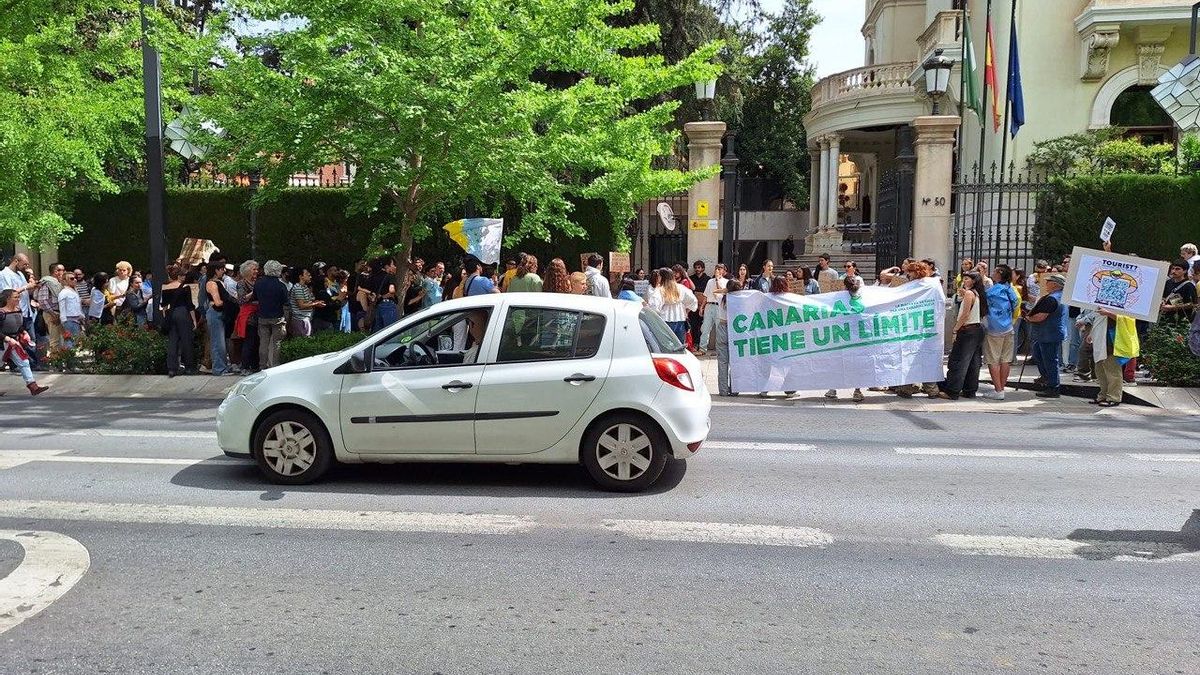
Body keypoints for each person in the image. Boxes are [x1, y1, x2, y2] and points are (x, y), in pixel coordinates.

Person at [938, 271, 986, 400]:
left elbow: (965, 314)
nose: (964, 281)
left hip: (967, 330)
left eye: (967, 279)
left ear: (974, 281)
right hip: (977, 330)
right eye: (964, 279)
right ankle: (969, 390)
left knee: (958, 361)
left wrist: (955, 329)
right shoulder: (976, 293)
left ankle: (952, 391)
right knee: (973, 362)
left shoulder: (970, 293)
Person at [1024, 273, 1067, 398]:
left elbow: (1041, 316)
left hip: (1049, 334)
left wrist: (1029, 317)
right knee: (1039, 353)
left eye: (1048, 282)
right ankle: (1047, 378)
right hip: (1050, 333)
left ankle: (1053, 386)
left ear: (1054, 284)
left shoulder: (1052, 298)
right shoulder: (1059, 296)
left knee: (1050, 360)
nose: (1046, 284)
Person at [982, 265, 1020, 400]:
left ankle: (998, 390)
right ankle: (1001, 389)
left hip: (994, 328)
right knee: (1005, 360)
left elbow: (983, 302)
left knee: (993, 360)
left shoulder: (993, 291)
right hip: (1008, 327)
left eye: (995, 271)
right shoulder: (1010, 289)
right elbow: (1016, 305)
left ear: (999, 274)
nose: (992, 273)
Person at [1088, 307, 1139, 408]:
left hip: (1113, 339)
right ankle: (1103, 394)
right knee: (1100, 369)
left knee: (1112, 370)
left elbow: (1129, 319)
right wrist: (1091, 333)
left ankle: (1113, 397)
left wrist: (1109, 314)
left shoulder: (1125, 302)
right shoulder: (1102, 301)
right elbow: (1097, 318)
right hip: (1100, 338)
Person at [826, 275, 866, 402]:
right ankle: (857, 391)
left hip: (842, 337)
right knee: (857, 365)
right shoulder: (864, 298)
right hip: (858, 337)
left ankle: (833, 389)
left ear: (844, 286)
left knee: (838, 363)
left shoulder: (838, 299)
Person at [1, 289, 48, 395]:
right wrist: (7, 339)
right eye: (15, 297)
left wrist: (24, 332)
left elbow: (19, 325)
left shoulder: (18, 310)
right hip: (3, 342)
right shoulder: (1, 313)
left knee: (24, 362)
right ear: (8, 299)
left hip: (13, 342)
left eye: (19, 297)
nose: (18, 299)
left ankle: (33, 386)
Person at [0, 254, 39, 370]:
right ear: (16, 261)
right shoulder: (4, 274)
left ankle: (30, 364)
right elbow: (7, 293)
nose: (26, 267)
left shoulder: (20, 274)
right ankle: (20, 365)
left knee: (30, 339)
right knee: (17, 340)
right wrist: (26, 286)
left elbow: (26, 290)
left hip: (26, 311)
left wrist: (32, 285)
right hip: (13, 312)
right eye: (24, 264)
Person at [160, 264, 197, 377]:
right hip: (183, 312)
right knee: (186, 339)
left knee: (173, 340)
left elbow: (164, 306)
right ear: (179, 276)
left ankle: (172, 368)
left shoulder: (165, 288)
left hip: (171, 313)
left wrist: (166, 317)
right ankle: (189, 367)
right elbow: (190, 305)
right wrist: (194, 320)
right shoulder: (185, 287)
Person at [254, 260, 289, 370]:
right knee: (277, 343)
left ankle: (262, 366)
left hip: (262, 316)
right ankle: (275, 366)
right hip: (277, 317)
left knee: (263, 342)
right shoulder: (281, 286)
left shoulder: (258, 283)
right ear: (278, 271)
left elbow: (255, 297)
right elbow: (286, 302)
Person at [648, 267, 697, 343]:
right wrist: (686, 311)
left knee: (667, 345)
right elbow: (693, 300)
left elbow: (654, 306)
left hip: (665, 319)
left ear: (662, 277)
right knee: (680, 345)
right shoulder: (681, 287)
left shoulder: (660, 289)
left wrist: (657, 315)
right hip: (680, 319)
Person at [204, 262, 236, 375]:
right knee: (218, 343)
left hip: (220, 314)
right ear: (215, 270)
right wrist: (230, 302)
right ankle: (219, 369)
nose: (224, 271)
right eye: (221, 269)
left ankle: (222, 366)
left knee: (221, 342)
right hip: (216, 314)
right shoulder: (212, 284)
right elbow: (217, 302)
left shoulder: (218, 282)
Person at [715, 280, 742, 397]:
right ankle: (735, 389)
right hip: (735, 330)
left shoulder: (721, 298)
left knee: (722, 362)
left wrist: (725, 291)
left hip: (722, 328)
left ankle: (723, 390)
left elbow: (714, 292)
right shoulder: (740, 300)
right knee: (735, 362)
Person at [34, 262, 66, 355]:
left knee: (64, 338)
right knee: (55, 339)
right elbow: (42, 300)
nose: (64, 272)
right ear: (56, 271)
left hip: (59, 312)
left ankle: (64, 360)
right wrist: (53, 314)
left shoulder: (58, 283)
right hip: (52, 313)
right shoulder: (47, 282)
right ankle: (56, 364)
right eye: (62, 270)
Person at [235, 261, 261, 373]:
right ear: (246, 271)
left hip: (259, 315)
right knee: (249, 342)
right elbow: (241, 300)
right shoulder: (241, 284)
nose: (256, 271)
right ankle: (245, 366)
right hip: (248, 316)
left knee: (257, 342)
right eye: (254, 269)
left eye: (256, 269)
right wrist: (254, 292)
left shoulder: (259, 282)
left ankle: (255, 365)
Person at [698, 263, 728, 354]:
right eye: (716, 268)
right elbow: (706, 295)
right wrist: (702, 307)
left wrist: (717, 280)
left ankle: (719, 350)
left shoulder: (726, 281)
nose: (718, 270)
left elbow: (721, 292)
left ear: (723, 271)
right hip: (709, 305)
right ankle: (702, 349)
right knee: (705, 328)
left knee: (719, 329)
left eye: (720, 269)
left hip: (719, 306)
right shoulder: (709, 281)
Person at [1160, 259, 1197, 326]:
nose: (1173, 271)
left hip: (1180, 322)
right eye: (1173, 268)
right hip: (1165, 319)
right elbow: (1164, 296)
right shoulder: (1169, 282)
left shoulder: (1189, 286)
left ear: (1185, 271)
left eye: (1177, 269)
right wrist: (1162, 301)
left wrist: (1172, 307)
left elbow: (1192, 304)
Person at [57, 273, 85, 350]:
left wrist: (81, 316)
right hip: (69, 320)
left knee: (76, 342)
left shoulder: (74, 291)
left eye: (75, 278)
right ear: (65, 281)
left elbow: (78, 306)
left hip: (77, 320)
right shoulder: (64, 292)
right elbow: (62, 308)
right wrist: (63, 321)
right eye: (71, 278)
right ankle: (70, 360)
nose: (75, 280)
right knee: (70, 342)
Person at [688, 261, 710, 347]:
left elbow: (707, 291)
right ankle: (694, 343)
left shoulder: (707, 279)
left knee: (703, 326)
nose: (697, 269)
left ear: (703, 268)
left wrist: (697, 291)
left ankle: (701, 344)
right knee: (693, 325)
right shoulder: (691, 278)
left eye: (699, 267)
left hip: (703, 306)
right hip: (693, 306)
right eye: (696, 267)